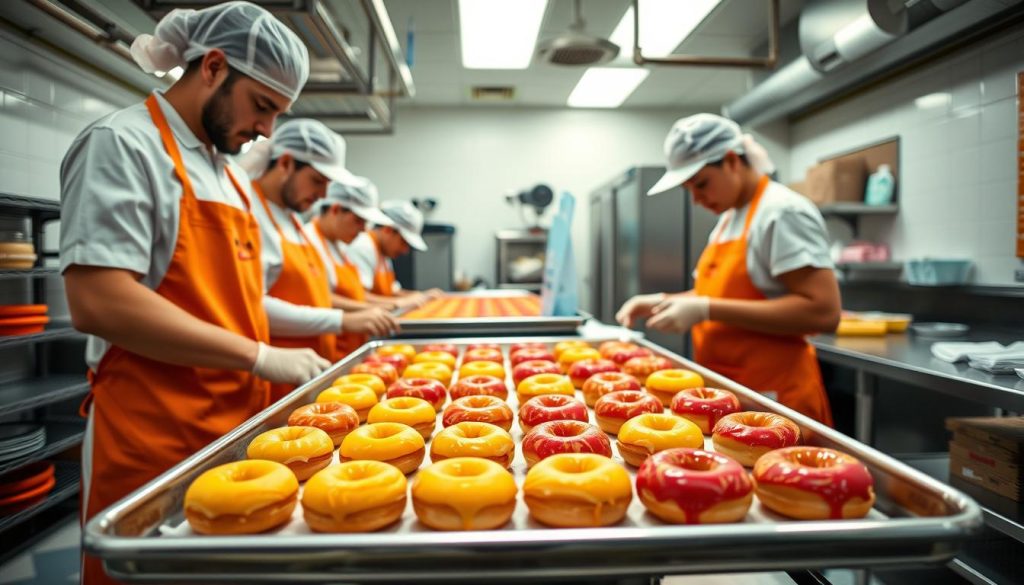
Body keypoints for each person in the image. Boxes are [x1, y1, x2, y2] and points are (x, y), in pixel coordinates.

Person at [59, 3, 318, 583]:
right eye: (262, 106)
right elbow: (99, 300)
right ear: (214, 67)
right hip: (153, 436)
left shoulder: (228, 176)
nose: (268, 131)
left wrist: (300, 343)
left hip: (235, 433)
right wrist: (257, 355)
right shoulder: (123, 145)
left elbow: (240, 301)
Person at [616, 113, 840, 426]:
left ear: (732, 160)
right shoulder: (729, 219)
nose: (696, 200)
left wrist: (705, 309)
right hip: (731, 395)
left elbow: (823, 312)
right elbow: (716, 294)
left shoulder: (781, 212)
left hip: (775, 400)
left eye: (702, 184)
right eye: (688, 189)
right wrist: (662, 300)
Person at [239, 119, 397, 401]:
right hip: (276, 380)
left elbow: (318, 296)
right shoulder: (248, 214)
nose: (323, 195)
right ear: (286, 163)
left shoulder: (293, 221)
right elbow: (250, 305)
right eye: (317, 180)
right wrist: (342, 321)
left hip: (311, 375)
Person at [305, 179, 397, 357]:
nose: (363, 229)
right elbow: (318, 297)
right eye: (359, 221)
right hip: (327, 349)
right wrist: (364, 309)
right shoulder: (309, 241)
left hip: (350, 348)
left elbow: (352, 292)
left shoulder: (341, 246)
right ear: (335, 209)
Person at [346, 200, 443, 306]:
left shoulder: (383, 253)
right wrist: (400, 302)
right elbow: (359, 297)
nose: (405, 250)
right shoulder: (363, 246)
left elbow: (393, 291)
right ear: (388, 230)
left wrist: (421, 296)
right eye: (403, 242)